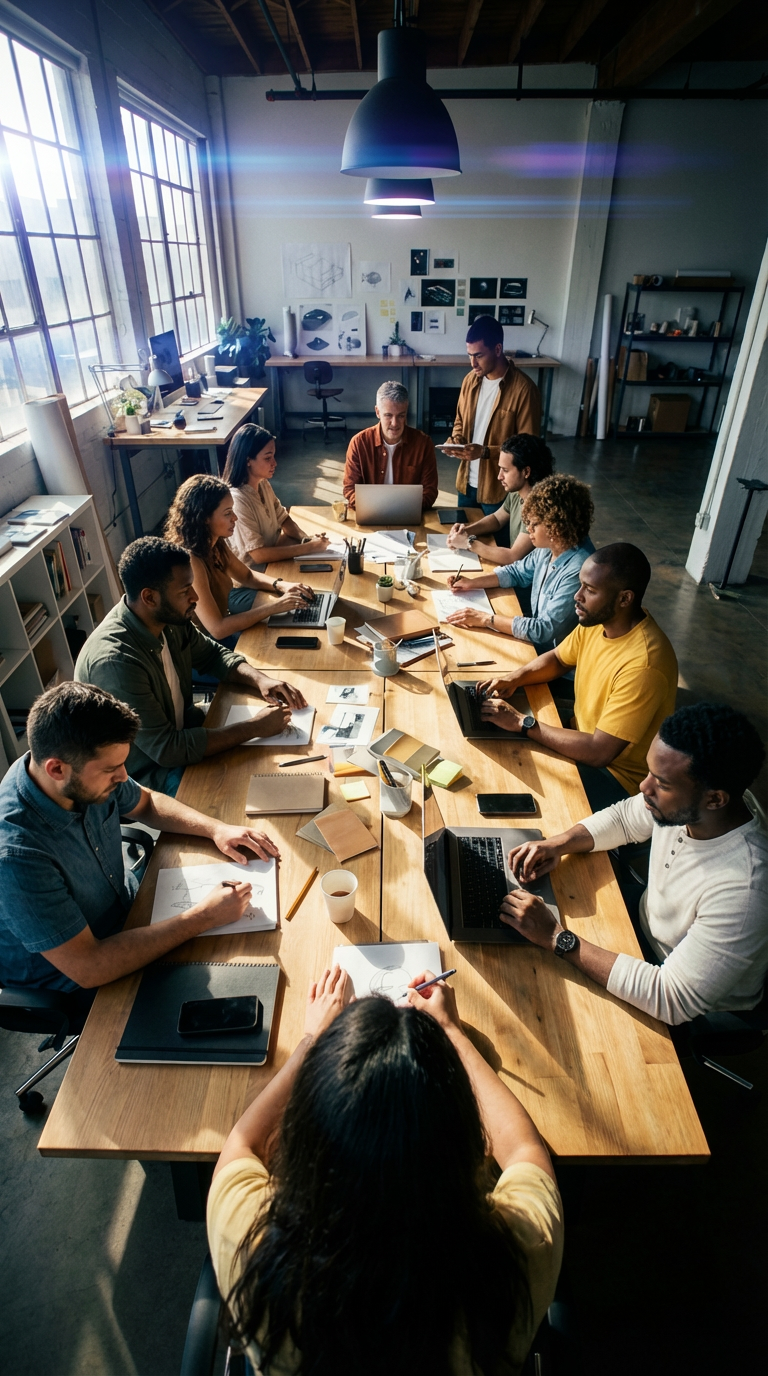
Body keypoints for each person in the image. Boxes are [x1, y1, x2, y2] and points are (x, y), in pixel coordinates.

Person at [207, 966, 563, 1376]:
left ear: (306, 1133)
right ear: (463, 1139)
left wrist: (313, 1040)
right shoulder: (519, 1256)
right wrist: (451, 1033)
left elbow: (242, 1144)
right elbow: (522, 1150)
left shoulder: (252, 1249)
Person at [0, 682, 276, 1011]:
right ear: (56, 769)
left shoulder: (80, 773)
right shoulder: (16, 856)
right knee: (239, 992)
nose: (123, 777)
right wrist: (201, 917)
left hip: (129, 909)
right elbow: (90, 966)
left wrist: (216, 828)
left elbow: (145, 802)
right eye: (111, 769)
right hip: (77, 979)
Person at [498, 704, 768, 1027]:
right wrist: (559, 843)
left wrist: (557, 937)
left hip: (689, 1004)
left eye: (662, 784)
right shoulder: (697, 806)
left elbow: (670, 997)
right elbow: (627, 818)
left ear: (715, 800)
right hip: (644, 925)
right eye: (649, 772)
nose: (644, 787)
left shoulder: (746, 890)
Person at [75, 537, 307, 796]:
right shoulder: (116, 662)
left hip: (184, 732)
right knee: (249, 793)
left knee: (272, 768)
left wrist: (261, 680)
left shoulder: (168, 618)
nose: (195, 597)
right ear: (149, 598)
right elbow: (167, 749)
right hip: (143, 775)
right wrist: (253, 727)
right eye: (185, 591)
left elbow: (213, 656)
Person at [477, 543, 678, 811]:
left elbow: (599, 752)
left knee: (514, 776)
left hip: (615, 778)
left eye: (590, 590)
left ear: (625, 598)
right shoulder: (599, 622)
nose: (577, 595)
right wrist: (515, 677)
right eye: (581, 585)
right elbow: (559, 658)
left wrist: (521, 722)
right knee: (493, 743)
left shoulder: (644, 665)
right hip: (579, 733)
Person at [445, 474, 594, 655]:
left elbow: (543, 630)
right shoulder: (552, 544)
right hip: (537, 645)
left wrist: (486, 619)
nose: (528, 530)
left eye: (534, 524)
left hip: (555, 658)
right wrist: (472, 582)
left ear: (556, 525)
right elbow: (517, 572)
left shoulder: (579, 569)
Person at [164, 474, 315, 643]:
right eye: (228, 513)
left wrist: (282, 585)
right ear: (205, 518)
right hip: (204, 649)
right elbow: (217, 629)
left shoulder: (215, 543)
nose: (235, 518)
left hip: (221, 635)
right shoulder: (191, 561)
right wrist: (276, 606)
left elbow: (247, 576)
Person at [448, 315, 541, 521]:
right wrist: (455, 441)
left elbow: (529, 448)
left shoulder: (524, 390)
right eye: (469, 355)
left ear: (498, 349)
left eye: (479, 355)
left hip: (499, 490)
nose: (472, 363)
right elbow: (460, 421)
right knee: (463, 546)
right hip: (466, 485)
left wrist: (484, 452)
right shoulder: (469, 381)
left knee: (496, 550)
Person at [223, 424, 331, 568]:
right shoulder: (237, 499)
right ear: (248, 460)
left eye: (273, 456)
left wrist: (306, 539)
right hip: (255, 574)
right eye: (268, 458)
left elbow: (283, 518)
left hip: (272, 563)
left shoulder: (262, 483)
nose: (275, 463)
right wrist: (310, 548)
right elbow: (258, 555)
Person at [446, 434, 554, 565]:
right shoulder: (517, 491)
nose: (499, 477)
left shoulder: (540, 506)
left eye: (505, 470)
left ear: (526, 472)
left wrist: (468, 543)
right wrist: (466, 531)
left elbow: (513, 556)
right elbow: (497, 519)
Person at [342, 380, 438, 509]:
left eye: (401, 416)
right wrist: (376, 509)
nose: (395, 423)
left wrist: (402, 509)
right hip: (370, 512)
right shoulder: (359, 443)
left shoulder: (423, 443)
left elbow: (430, 490)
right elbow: (350, 489)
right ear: (377, 412)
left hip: (408, 514)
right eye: (388, 415)